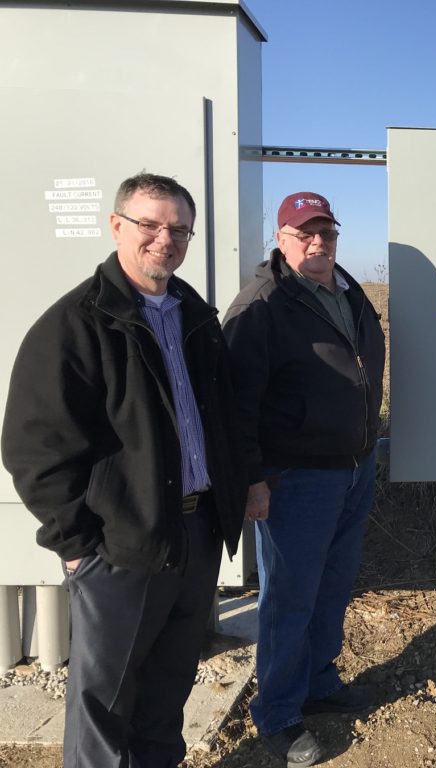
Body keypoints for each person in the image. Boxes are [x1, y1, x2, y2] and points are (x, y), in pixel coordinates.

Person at [1, 173, 247, 768]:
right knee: (104, 702)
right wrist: (77, 543)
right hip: (121, 542)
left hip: (195, 532)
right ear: (117, 226)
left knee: (168, 689)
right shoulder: (77, 324)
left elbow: (224, 416)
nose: (166, 239)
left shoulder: (194, 315)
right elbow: (35, 445)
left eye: (180, 229)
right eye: (151, 225)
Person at [222, 192, 385, 767]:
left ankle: (319, 682)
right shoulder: (263, 304)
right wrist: (254, 479)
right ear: (282, 238)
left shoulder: (347, 289)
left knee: (333, 584)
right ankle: (280, 712)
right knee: (289, 596)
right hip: (296, 476)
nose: (318, 242)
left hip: (352, 467)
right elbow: (236, 403)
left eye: (326, 232)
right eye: (304, 233)